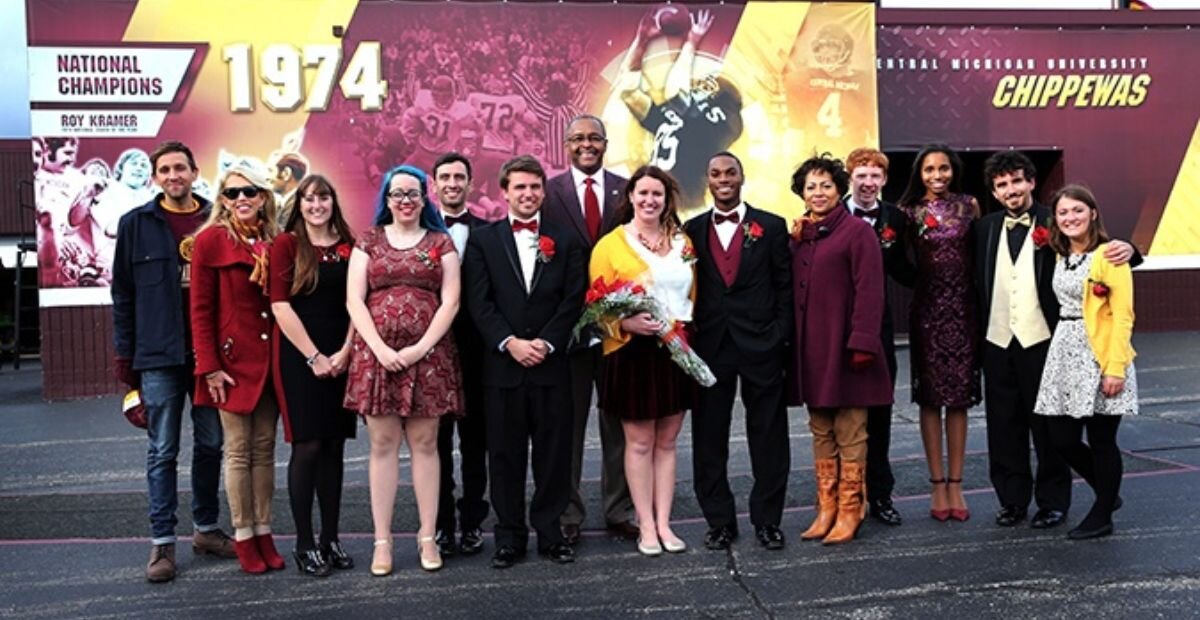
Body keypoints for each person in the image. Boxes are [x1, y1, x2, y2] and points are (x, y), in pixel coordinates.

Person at [975, 152, 1140, 529]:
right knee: (1003, 426)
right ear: (994, 191)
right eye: (1001, 184)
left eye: (1017, 181)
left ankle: (1052, 502)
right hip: (998, 340)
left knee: (1049, 431)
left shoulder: (1056, 222)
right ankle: (1012, 500)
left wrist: (1130, 249)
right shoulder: (983, 229)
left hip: (1045, 339)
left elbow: (1098, 248)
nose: (1010, 190)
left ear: (1032, 182)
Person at [112, 140, 236, 582]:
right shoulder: (135, 225)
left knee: (211, 445)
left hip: (210, 357)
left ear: (193, 171)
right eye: (164, 170)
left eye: (180, 168)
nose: (172, 176)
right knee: (163, 450)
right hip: (158, 356)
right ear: (155, 177)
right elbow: (123, 296)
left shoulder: (216, 220)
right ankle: (162, 543)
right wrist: (125, 363)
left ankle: (205, 529)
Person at [462, 155, 586, 569]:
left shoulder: (566, 241)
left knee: (553, 455)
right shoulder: (484, 241)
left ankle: (551, 534)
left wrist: (547, 343)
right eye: (520, 187)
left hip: (552, 368)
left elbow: (573, 300)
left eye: (535, 187)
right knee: (504, 456)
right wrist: (509, 342)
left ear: (543, 191)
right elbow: (479, 303)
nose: (528, 194)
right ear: (505, 192)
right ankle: (509, 537)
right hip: (502, 369)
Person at [343, 165, 463, 575]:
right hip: (377, 357)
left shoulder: (440, 242)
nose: (406, 201)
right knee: (382, 445)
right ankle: (382, 541)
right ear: (387, 199)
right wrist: (378, 348)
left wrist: (418, 350)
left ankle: (427, 536)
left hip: (428, 357)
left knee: (427, 444)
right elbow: (355, 301)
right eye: (398, 194)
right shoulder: (369, 240)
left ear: (424, 198)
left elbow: (450, 302)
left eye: (413, 194)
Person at [682, 152, 791, 551]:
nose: (723, 179)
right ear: (707, 180)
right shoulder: (690, 230)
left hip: (762, 344)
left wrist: (779, 334)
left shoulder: (772, 226)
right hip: (711, 346)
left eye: (730, 172)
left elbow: (785, 285)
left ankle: (768, 521)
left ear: (742, 177)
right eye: (715, 174)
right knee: (709, 436)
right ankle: (720, 522)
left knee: (769, 435)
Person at [589, 166, 696, 556]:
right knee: (638, 444)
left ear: (667, 200)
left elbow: (692, 297)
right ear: (630, 197)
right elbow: (596, 307)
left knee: (667, 443)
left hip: (675, 351)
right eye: (643, 193)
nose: (650, 201)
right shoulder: (610, 244)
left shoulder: (683, 242)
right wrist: (627, 322)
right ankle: (645, 526)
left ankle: (665, 524)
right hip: (631, 352)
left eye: (658, 194)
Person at [541, 115, 635, 544]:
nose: (587, 144)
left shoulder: (626, 190)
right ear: (566, 143)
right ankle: (568, 513)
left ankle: (620, 509)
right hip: (570, 330)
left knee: (619, 421)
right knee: (569, 425)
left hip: (620, 328)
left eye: (594, 137)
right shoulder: (549, 192)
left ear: (605, 142)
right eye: (578, 138)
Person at [788, 153, 891, 545]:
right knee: (821, 429)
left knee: (851, 429)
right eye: (810, 186)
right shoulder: (801, 235)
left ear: (839, 189)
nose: (818, 192)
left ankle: (851, 510)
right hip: (812, 348)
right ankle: (826, 507)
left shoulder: (857, 231)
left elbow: (870, 290)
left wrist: (863, 341)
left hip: (848, 348)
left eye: (826, 185)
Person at [189, 158, 283, 574]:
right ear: (223, 201)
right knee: (239, 452)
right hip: (229, 364)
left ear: (263, 198)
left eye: (250, 192)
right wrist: (209, 366)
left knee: (265, 449)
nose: (241, 199)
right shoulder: (210, 241)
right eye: (232, 193)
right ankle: (244, 536)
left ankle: (265, 531)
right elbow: (200, 309)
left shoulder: (278, 240)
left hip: (271, 362)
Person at [1033, 184, 1137, 540]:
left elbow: (1123, 315)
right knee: (1060, 438)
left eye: (1078, 210)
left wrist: (1115, 368)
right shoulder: (1060, 255)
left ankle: (1102, 513)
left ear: (1093, 213)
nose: (1070, 218)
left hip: (1100, 353)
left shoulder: (1111, 255)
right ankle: (1108, 492)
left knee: (1102, 438)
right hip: (1064, 350)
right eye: (1063, 212)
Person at [268, 175, 357, 577]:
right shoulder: (287, 245)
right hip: (299, 359)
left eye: (323, 197)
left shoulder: (348, 245)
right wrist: (315, 357)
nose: (316, 205)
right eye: (308, 198)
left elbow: (360, 303)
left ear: (332, 202)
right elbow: (281, 307)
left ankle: (330, 539)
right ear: (298, 205)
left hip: (341, 357)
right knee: (307, 448)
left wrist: (345, 352)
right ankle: (305, 543)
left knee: (335, 449)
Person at [896, 144, 981, 522]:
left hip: (964, 312)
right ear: (920, 173)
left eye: (943, 168)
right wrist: (922, 283)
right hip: (927, 313)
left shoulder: (970, 205)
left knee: (959, 399)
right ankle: (936, 485)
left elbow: (981, 253)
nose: (937, 175)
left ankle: (957, 484)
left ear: (953, 170)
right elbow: (896, 260)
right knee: (930, 399)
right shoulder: (908, 211)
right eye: (929, 169)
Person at [844, 147, 916, 526]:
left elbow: (906, 269)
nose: (869, 183)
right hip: (836, 329)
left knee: (880, 413)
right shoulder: (829, 214)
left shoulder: (895, 219)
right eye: (862, 176)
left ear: (884, 180)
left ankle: (882, 496)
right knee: (842, 417)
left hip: (879, 329)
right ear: (849, 177)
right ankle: (846, 498)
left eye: (876, 177)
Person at [619, 9, 744, 210]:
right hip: (655, 207)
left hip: (688, 211)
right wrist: (641, 41)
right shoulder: (672, 119)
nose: (697, 86)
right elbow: (628, 91)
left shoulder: (723, 126)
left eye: (705, 86)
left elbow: (677, 92)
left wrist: (691, 43)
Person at [431, 153, 490, 557]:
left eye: (459, 177)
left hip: (478, 354)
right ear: (434, 185)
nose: (452, 183)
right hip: (432, 352)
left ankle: (472, 522)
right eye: (445, 177)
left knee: (475, 442)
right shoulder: (416, 233)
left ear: (470, 184)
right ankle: (439, 525)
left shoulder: (488, 233)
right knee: (433, 443)